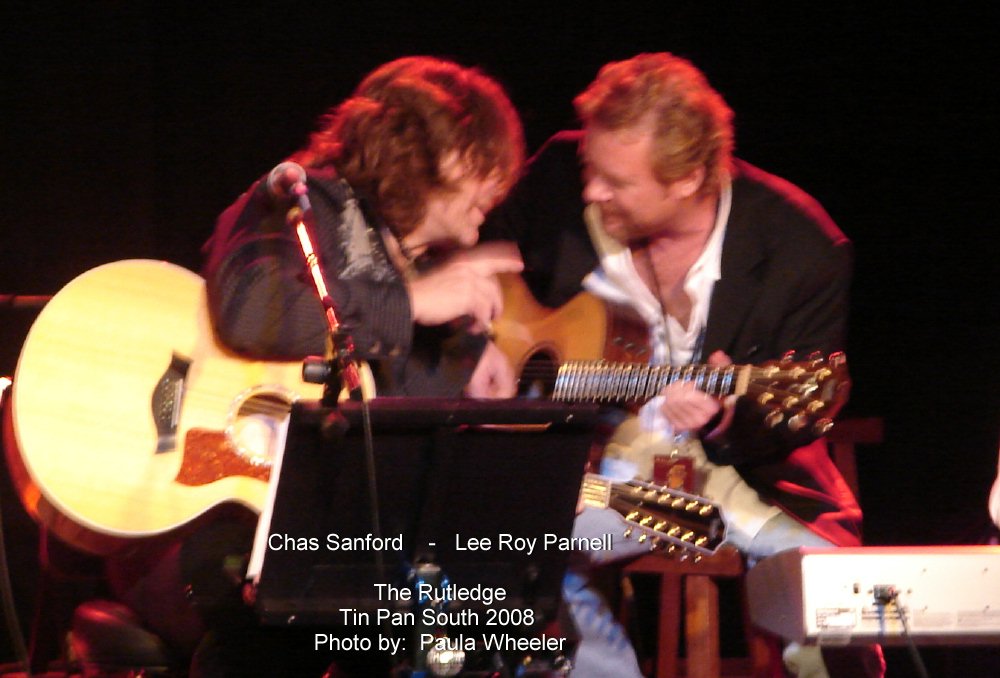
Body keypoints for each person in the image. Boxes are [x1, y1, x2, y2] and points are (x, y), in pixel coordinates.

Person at [107, 56, 527, 677]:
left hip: (350, 546)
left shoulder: (420, 267)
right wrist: (411, 303)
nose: (501, 187)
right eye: (489, 164)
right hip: (204, 524)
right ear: (441, 152)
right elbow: (252, 307)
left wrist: (469, 370)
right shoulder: (304, 203)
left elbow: (391, 430)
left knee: (492, 617)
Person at [482, 52, 884, 677]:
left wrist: (725, 417)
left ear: (689, 179)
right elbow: (470, 258)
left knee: (833, 598)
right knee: (495, 553)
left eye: (616, 182)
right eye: (591, 169)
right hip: (591, 482)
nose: (592, 191)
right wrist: (486, 340)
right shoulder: (557, 176)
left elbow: (796, 416)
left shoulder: (802, 249)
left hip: (726, 485)